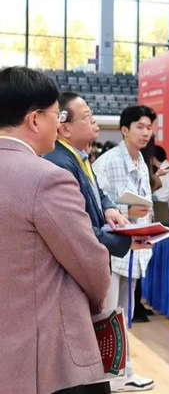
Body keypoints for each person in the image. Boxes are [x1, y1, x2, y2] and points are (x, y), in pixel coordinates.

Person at [0, 67, 111, 394]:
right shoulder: (46, 178)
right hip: (45, 355)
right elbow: (90, 265)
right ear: (35, 120)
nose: (58, 124)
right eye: (56, 115)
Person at [93, 105, 157, 392]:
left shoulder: (141, 160)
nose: (146, 132)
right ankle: (108, 376)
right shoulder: (106, 162)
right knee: (109, 314)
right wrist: (126, 211)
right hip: (113, 251)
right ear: (124, 130)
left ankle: (121, 373)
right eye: (140, 127)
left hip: (134, 248)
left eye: (149, 127)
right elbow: (97, 207)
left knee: (123, 313)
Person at [43, 92, 136, 260]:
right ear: (65, 129)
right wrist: (124, 242)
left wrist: (109, 208)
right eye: (86, 116)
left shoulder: (77, 156)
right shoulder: (60, 164)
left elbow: (97, 192)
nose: (93, 120)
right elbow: (75, 228)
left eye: (91, 114)